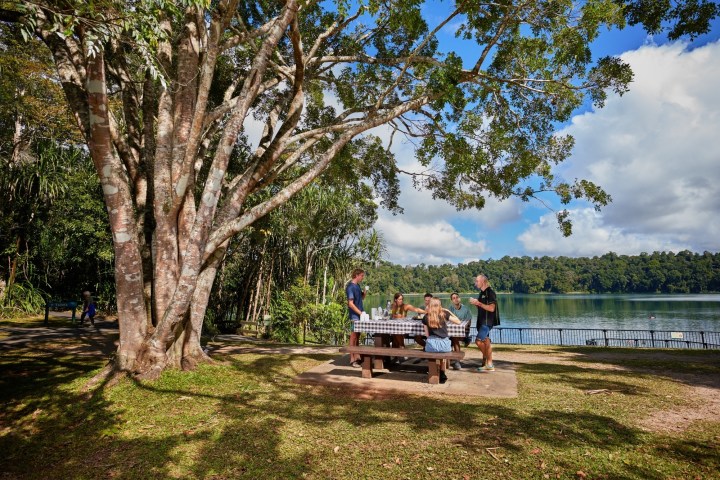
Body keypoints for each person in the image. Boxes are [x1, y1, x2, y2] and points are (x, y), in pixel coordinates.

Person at [422, 297, 461, 384]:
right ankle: (442, 372)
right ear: (439, 305)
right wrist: (449, 311)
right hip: (444, 345)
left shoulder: (426, 317)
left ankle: (437, 371)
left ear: (430, 305)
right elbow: (458, 321)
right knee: (442, 354)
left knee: (433, 349)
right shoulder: (444, 314)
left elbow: (427, 335)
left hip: (431, 345)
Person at [469, 274, 499, 372]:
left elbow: (491, 308)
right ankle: (489, 364)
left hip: (487, 322)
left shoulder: (490, 293)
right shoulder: (481, 293)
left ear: (483, 281)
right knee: (486, 341)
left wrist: (478, 303)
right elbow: (482, 307)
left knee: (478, 341)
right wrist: (476, 304)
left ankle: (489, 362)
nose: (475, 283)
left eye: (477, 281)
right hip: (481, 321)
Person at [345, 268, 366, 368]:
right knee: (353, 336)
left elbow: (360, 298)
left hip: (359, 315)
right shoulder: (350, 287)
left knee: (357, 336)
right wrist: (360, 313)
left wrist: (364, 293)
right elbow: (350, 304)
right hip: (354, 316)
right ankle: (352, 359)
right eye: (362, 275)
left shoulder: (357, 286)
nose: (363, 277)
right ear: (357, 275)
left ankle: (357, 357)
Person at [447, 292, 472, 370]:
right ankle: (448, 359)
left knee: (455, 338)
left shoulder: (466, 309)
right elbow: (447, 319)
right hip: (451, 330)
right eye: (453, 298)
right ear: (452, 300)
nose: (456, 299)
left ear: (460, 298)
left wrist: (465, 331)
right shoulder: (450, 309)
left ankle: (457, 361)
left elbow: (469, 321)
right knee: (446, 338)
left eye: (457, 297)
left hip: (463, 331)